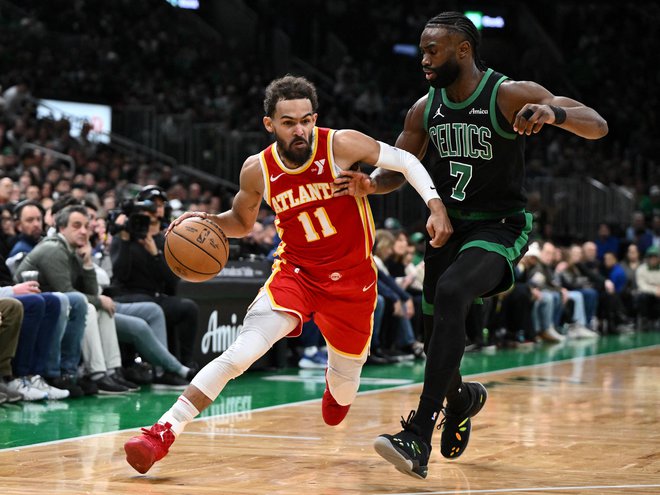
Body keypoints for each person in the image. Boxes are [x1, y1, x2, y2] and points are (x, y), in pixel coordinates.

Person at [123, 74, 447, 474]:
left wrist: (432, 205)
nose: (300, 130)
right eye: (289, 122)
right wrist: (205, 221)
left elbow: (406, 161)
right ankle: (161, 433)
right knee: (241, 353)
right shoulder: (256, 169)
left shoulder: (341, 145)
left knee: (341, 400)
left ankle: (336, 380)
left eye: (306, 120)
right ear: (269, 124)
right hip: (296, 274)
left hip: (354, 282)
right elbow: (240, 222)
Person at [333, 12, 607, 479]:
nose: (423, 58)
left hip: (499, 226)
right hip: (448, 228)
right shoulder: (424, 108)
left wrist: (553, 113)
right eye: (421, 49)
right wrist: (369, 186)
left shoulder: (508, 94)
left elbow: (597, 124)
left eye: (432, 50)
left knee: (455, 292)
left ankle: (417, 434)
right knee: (432, 342)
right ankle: (460, 400)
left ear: (462, 50)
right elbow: (399, 165)